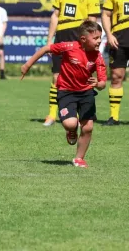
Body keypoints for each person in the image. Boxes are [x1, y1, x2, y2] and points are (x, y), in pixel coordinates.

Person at [21, 20, 106, 168]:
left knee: (88, 127)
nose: (99, 41)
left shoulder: (98, 57)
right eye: (96, 38)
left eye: (100, 37)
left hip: (86, 93)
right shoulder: (69, 47)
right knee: (70, 123)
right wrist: (28, 65)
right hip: (66, 91)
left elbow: (103, 83)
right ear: (83, 39)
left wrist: (98, 84)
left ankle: (79, 159)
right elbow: (46, 48)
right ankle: (71, 131)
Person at [43, 0, 101, 127]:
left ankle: (79, 111)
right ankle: (52, 115)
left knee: (80, 77)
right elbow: (55, 15)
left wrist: (90, 43)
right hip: (61, 37)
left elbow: (92, 21)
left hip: (79, 40)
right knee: (56, 78)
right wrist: (49, 41)